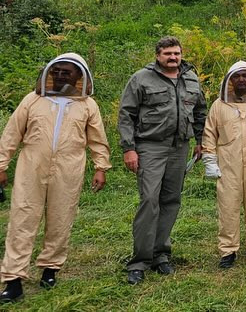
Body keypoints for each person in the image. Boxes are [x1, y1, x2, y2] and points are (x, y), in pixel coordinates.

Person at [0, 53, 111, 303]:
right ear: (49, 72)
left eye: (66, 71)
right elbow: (11, 134)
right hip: (31, 166)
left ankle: (50, 268)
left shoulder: (87, 105)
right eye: (56, 71)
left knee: (61, 217)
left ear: (79, 76)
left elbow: (97, 139)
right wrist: (1, 164)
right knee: (22, 218)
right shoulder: (32, 100)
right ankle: (13, 279)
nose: (60, 75)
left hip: (69, 167)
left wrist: (101, 167)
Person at [119, 36, 207, 285]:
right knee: (149, 200)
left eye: (177, 53)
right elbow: (126, 114)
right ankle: (139, 261)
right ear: (157, 55)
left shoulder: (190, 78)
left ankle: (161, 254)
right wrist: (129, 149)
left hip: (180, 147)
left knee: (171, 200)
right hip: (150, 146)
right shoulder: (141, 79)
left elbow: (200, 110)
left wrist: (200, 141)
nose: (173, 58)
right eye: (168, 53)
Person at [200, 61, 246, 269]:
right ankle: (228, 249)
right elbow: (209, 134)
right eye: (237, 76)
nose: (241, 79)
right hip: (228, 163)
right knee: (228, 205)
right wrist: (210, 160)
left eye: (245, 76)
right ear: (230, 80)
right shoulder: (219, 105)